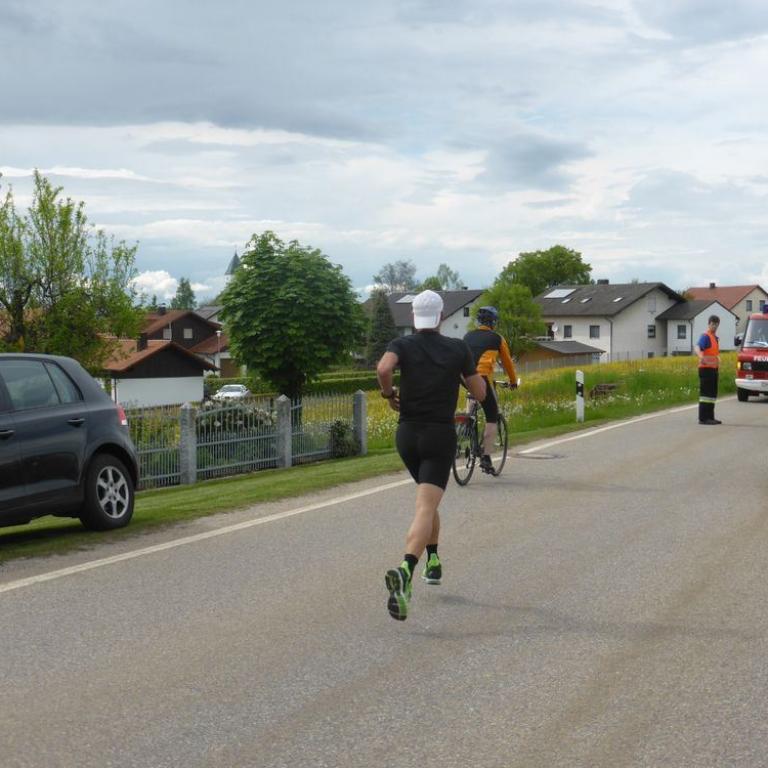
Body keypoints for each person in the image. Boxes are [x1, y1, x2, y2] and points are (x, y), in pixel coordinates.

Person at [376, 289, 486, 621]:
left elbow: (384, 368)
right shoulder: (458, 348)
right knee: (426, 506)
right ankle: (406, 569)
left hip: (407, 436)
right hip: (439, 435)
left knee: (428, 501)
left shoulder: (402, 345)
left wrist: (389, 395)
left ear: (414, 317)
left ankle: (433, 561)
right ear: (440, 317)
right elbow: (480, 393)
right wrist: (464, 376)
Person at [462, 306, 518, 472]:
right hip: (482, 378)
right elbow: (507, 362)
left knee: (472, 399)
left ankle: (467, 424)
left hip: (464, 377)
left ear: (479, 321)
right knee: (492, 416)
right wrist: (513, 381)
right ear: (493, 322)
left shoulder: (467, 336)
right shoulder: (497, 338)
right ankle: (486, 458)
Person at [695, 314, 721, 425]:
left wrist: (718, 360)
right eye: (712, 324)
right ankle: (703, 418)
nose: (714, 326)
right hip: (706, 370)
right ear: (709, 324)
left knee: (712, 395)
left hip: (713, 370)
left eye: (716, 324)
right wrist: (701, 357)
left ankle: (710, 417)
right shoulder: (705, 336)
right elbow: (697, 347)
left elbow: (714, 353)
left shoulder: (715, 338)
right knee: (706, 395)